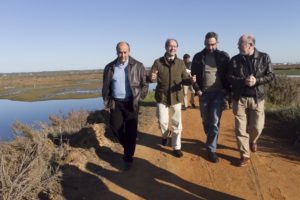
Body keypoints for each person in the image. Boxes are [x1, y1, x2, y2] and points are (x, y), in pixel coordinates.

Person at [228, 34, 275, 167]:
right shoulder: (235, 60)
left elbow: (271, 75)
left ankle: (253, 140)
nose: (237, 46)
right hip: (240, 98)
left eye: (240, 44)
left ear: (250, 45)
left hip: (257, 97)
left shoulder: (264, 57)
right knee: (240, 128)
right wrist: (243, 81)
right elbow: (229, 77)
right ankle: (244, 155)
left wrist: (257, 80)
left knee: (257, 126)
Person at [102, 41, 149, 170]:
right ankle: (128, 147)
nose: (122, 55)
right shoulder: (109, 67)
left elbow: (145, 84)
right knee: (115, 128)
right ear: (116, 52)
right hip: (116, 103)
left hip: (131, 103)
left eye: (125, 52)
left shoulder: (138, 65)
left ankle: (128, 157)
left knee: (131, 131)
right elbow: (105, 86)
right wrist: (107, 100)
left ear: (129, 51)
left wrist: (140, 98)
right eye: (120, 52)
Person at [149, 39, 195, 158]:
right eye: (170, 46)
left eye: (175, 46)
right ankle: (165, 136)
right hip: (162, 96)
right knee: (162, 121)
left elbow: (185, 79)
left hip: (176, 96)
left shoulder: (180, 63)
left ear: (177, 48)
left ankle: (176, 147)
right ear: (165, 47)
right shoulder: (158, 62)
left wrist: (190, 80)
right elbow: (152, 77)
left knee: (176, 123)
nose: (172, 48)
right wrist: (151, 77)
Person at [191, 32, 230, 163]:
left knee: (214, 121)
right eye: (208, 44)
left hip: (218, 93)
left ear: (217, 43)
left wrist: (226, 91)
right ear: (204, 43)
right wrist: (197, 89)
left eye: (213, 44)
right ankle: (210, 136)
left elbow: (229, 74)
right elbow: (193, 77)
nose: (210, 47)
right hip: (204, 93)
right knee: (206, 120)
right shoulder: (198, 57)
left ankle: (211, 150)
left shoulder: (223, 57)